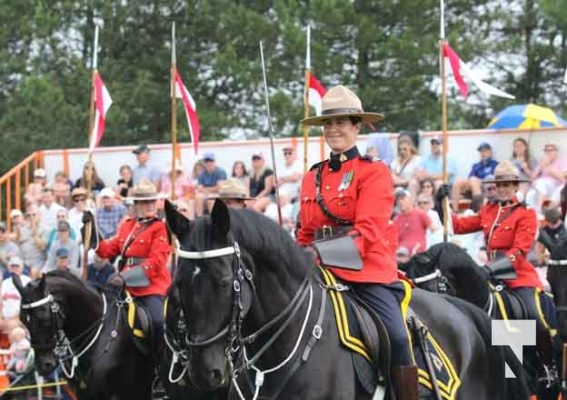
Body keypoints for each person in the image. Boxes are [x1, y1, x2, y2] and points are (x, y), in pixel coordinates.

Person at [296, 85, 417, 399]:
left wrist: (314, 255)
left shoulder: (373, 172)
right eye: (327, 123)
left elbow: (366, 235)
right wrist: (293, 259)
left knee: (397, 337)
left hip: (364, 271)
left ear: (356, 126)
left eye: (342, 122)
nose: (333, 129)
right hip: (317, 270)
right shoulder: (313, 176)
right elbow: (304, 233)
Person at [439, 160, 554, 366]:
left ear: (516, 186)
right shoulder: (489, 210)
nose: (502, 189)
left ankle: (547, 365)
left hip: (518, 276)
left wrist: (491, 269)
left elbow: (519, 251)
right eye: (499, 185)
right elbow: (456, 226)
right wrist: (442, 203)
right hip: (489, 275)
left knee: (534, 316)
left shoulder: (525, 213)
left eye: (507, 185)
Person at [83, 178, 172, 363]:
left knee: (157, 322)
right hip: (125, 288)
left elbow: (155, 263)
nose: (149, 205)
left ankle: (160, 364)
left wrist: (125, 276)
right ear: (136, 204)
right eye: (144, 202)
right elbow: (108, 249)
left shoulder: (160, 227)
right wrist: (92, 232)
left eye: (151, 201)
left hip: (150, 288)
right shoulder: (128, 225)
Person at [451, 142, 498, 211]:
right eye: (481, 151)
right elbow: (470, 178)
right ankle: (455, 211)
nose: (483, 153)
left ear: (490, 152)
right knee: (459, 181)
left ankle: (479, 210)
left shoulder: (495, 164)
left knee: (473, 180)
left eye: (485, 151)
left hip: (487, 185)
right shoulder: (476, 165)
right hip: (474, 186)